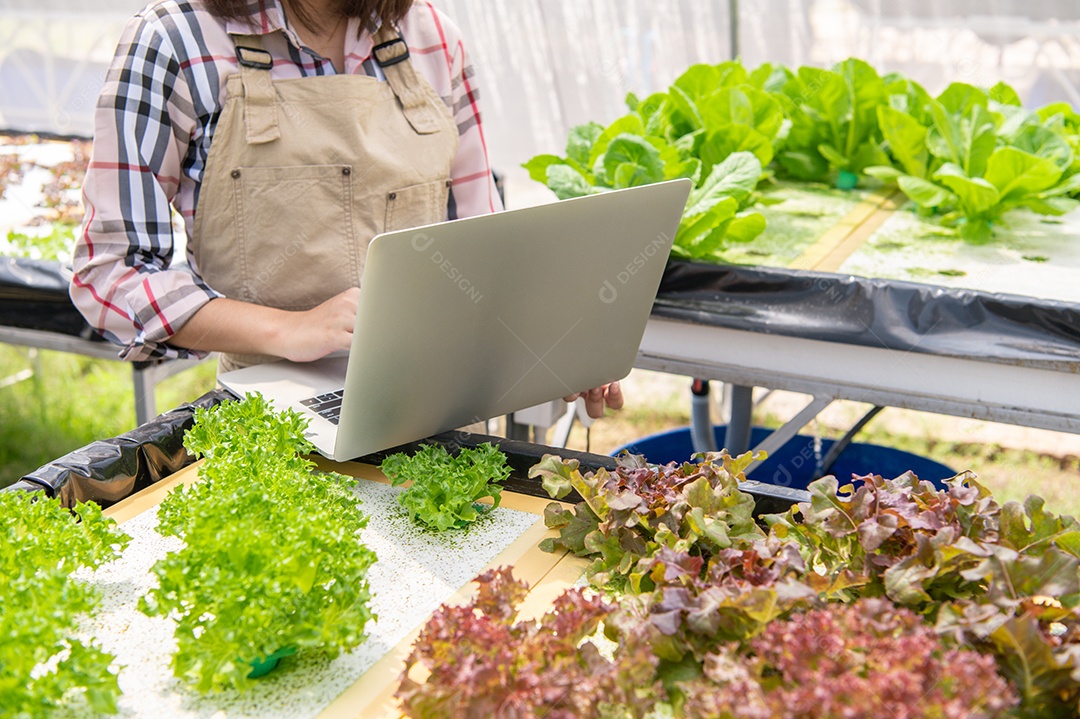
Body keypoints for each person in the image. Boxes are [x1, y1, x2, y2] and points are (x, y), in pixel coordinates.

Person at [71, 0, 622, 418]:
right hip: (276, 417)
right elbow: (111, 275)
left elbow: (486, 245)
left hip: (440, 405)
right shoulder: (175, 40)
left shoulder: (432, 36)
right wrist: (289, 330)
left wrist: (552, 338)